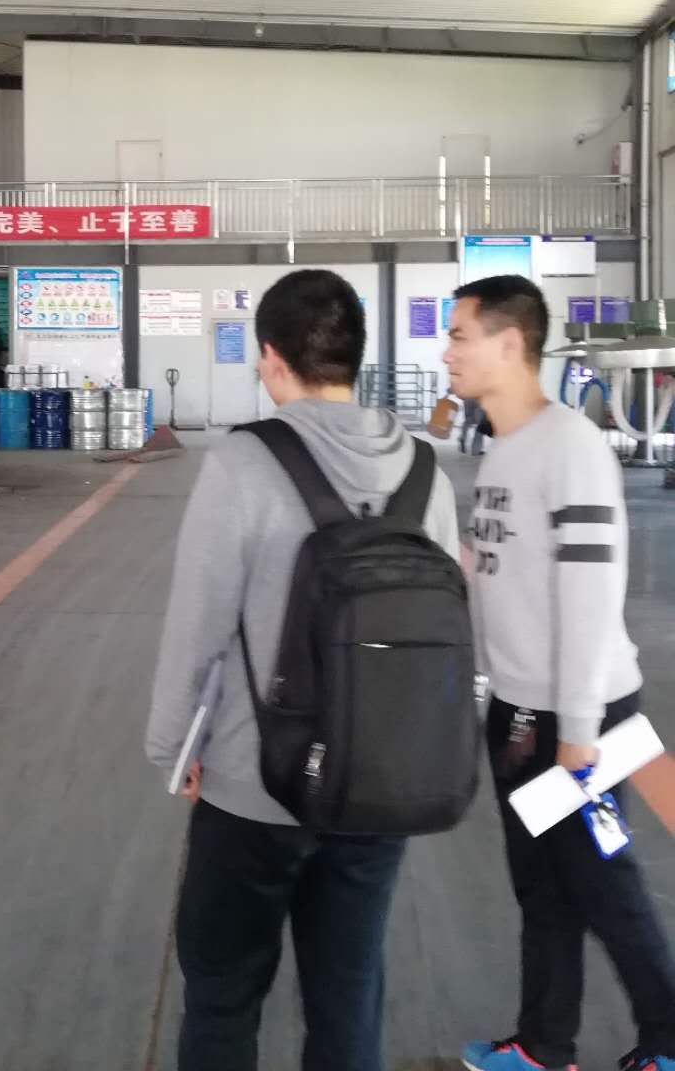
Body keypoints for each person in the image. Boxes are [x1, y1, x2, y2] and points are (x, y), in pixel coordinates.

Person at [146, 268, 459, 1071]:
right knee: (348, 993)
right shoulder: (426, 473)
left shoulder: (243, 462)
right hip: (380, 784)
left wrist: (174, 748)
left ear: (270, 357)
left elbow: (198, 624)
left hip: (255, 784)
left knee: (223, 994)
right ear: (357, 356)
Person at [444, 275, 675, 1071]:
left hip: (581, 718)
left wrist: (577, 730)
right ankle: (544, 1046)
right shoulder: (505, 448)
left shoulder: (570, 445)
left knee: (604, 884)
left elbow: (589, 590)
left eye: (460, 336)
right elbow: (502, 571)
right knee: (543, 888)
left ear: (510, 343)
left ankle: (667, 1041)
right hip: (519, 713)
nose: (447, 354)